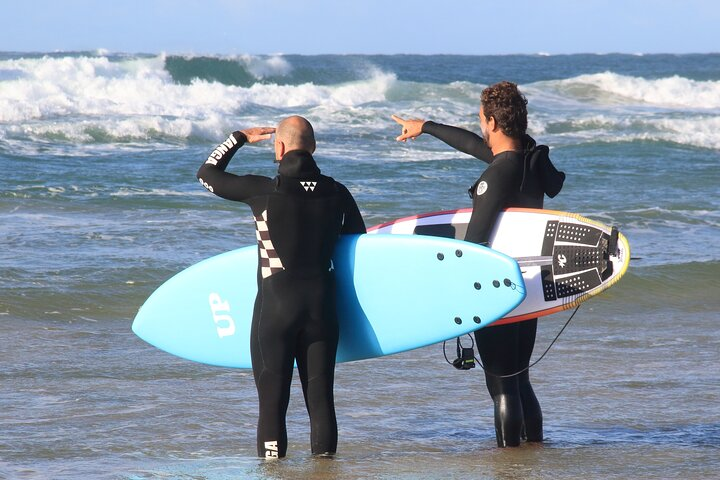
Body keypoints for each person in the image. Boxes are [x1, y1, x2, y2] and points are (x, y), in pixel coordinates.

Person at [391, 81, 565, 447]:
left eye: (482, 121)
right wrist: (426, 126)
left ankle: (509, 463)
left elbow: (474, 245)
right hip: (527, 286)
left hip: (495, 288)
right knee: (519, 378)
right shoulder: (528, 163)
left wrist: (453, 293)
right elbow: (474, 145)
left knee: (501, 384)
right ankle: (535, 451)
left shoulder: (497, 173)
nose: (480, 129)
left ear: (493, 123)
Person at [197, 116, 366, 459]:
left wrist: (239, 138)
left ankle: (274, 471)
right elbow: (357, 245)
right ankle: (325, 471)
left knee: (272, 404)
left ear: (280, 147)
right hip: (322, 309)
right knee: (321, 402)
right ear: (314, 148)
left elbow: (207, 174)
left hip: (276, 310)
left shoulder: (263, 190)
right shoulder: (338, 192)